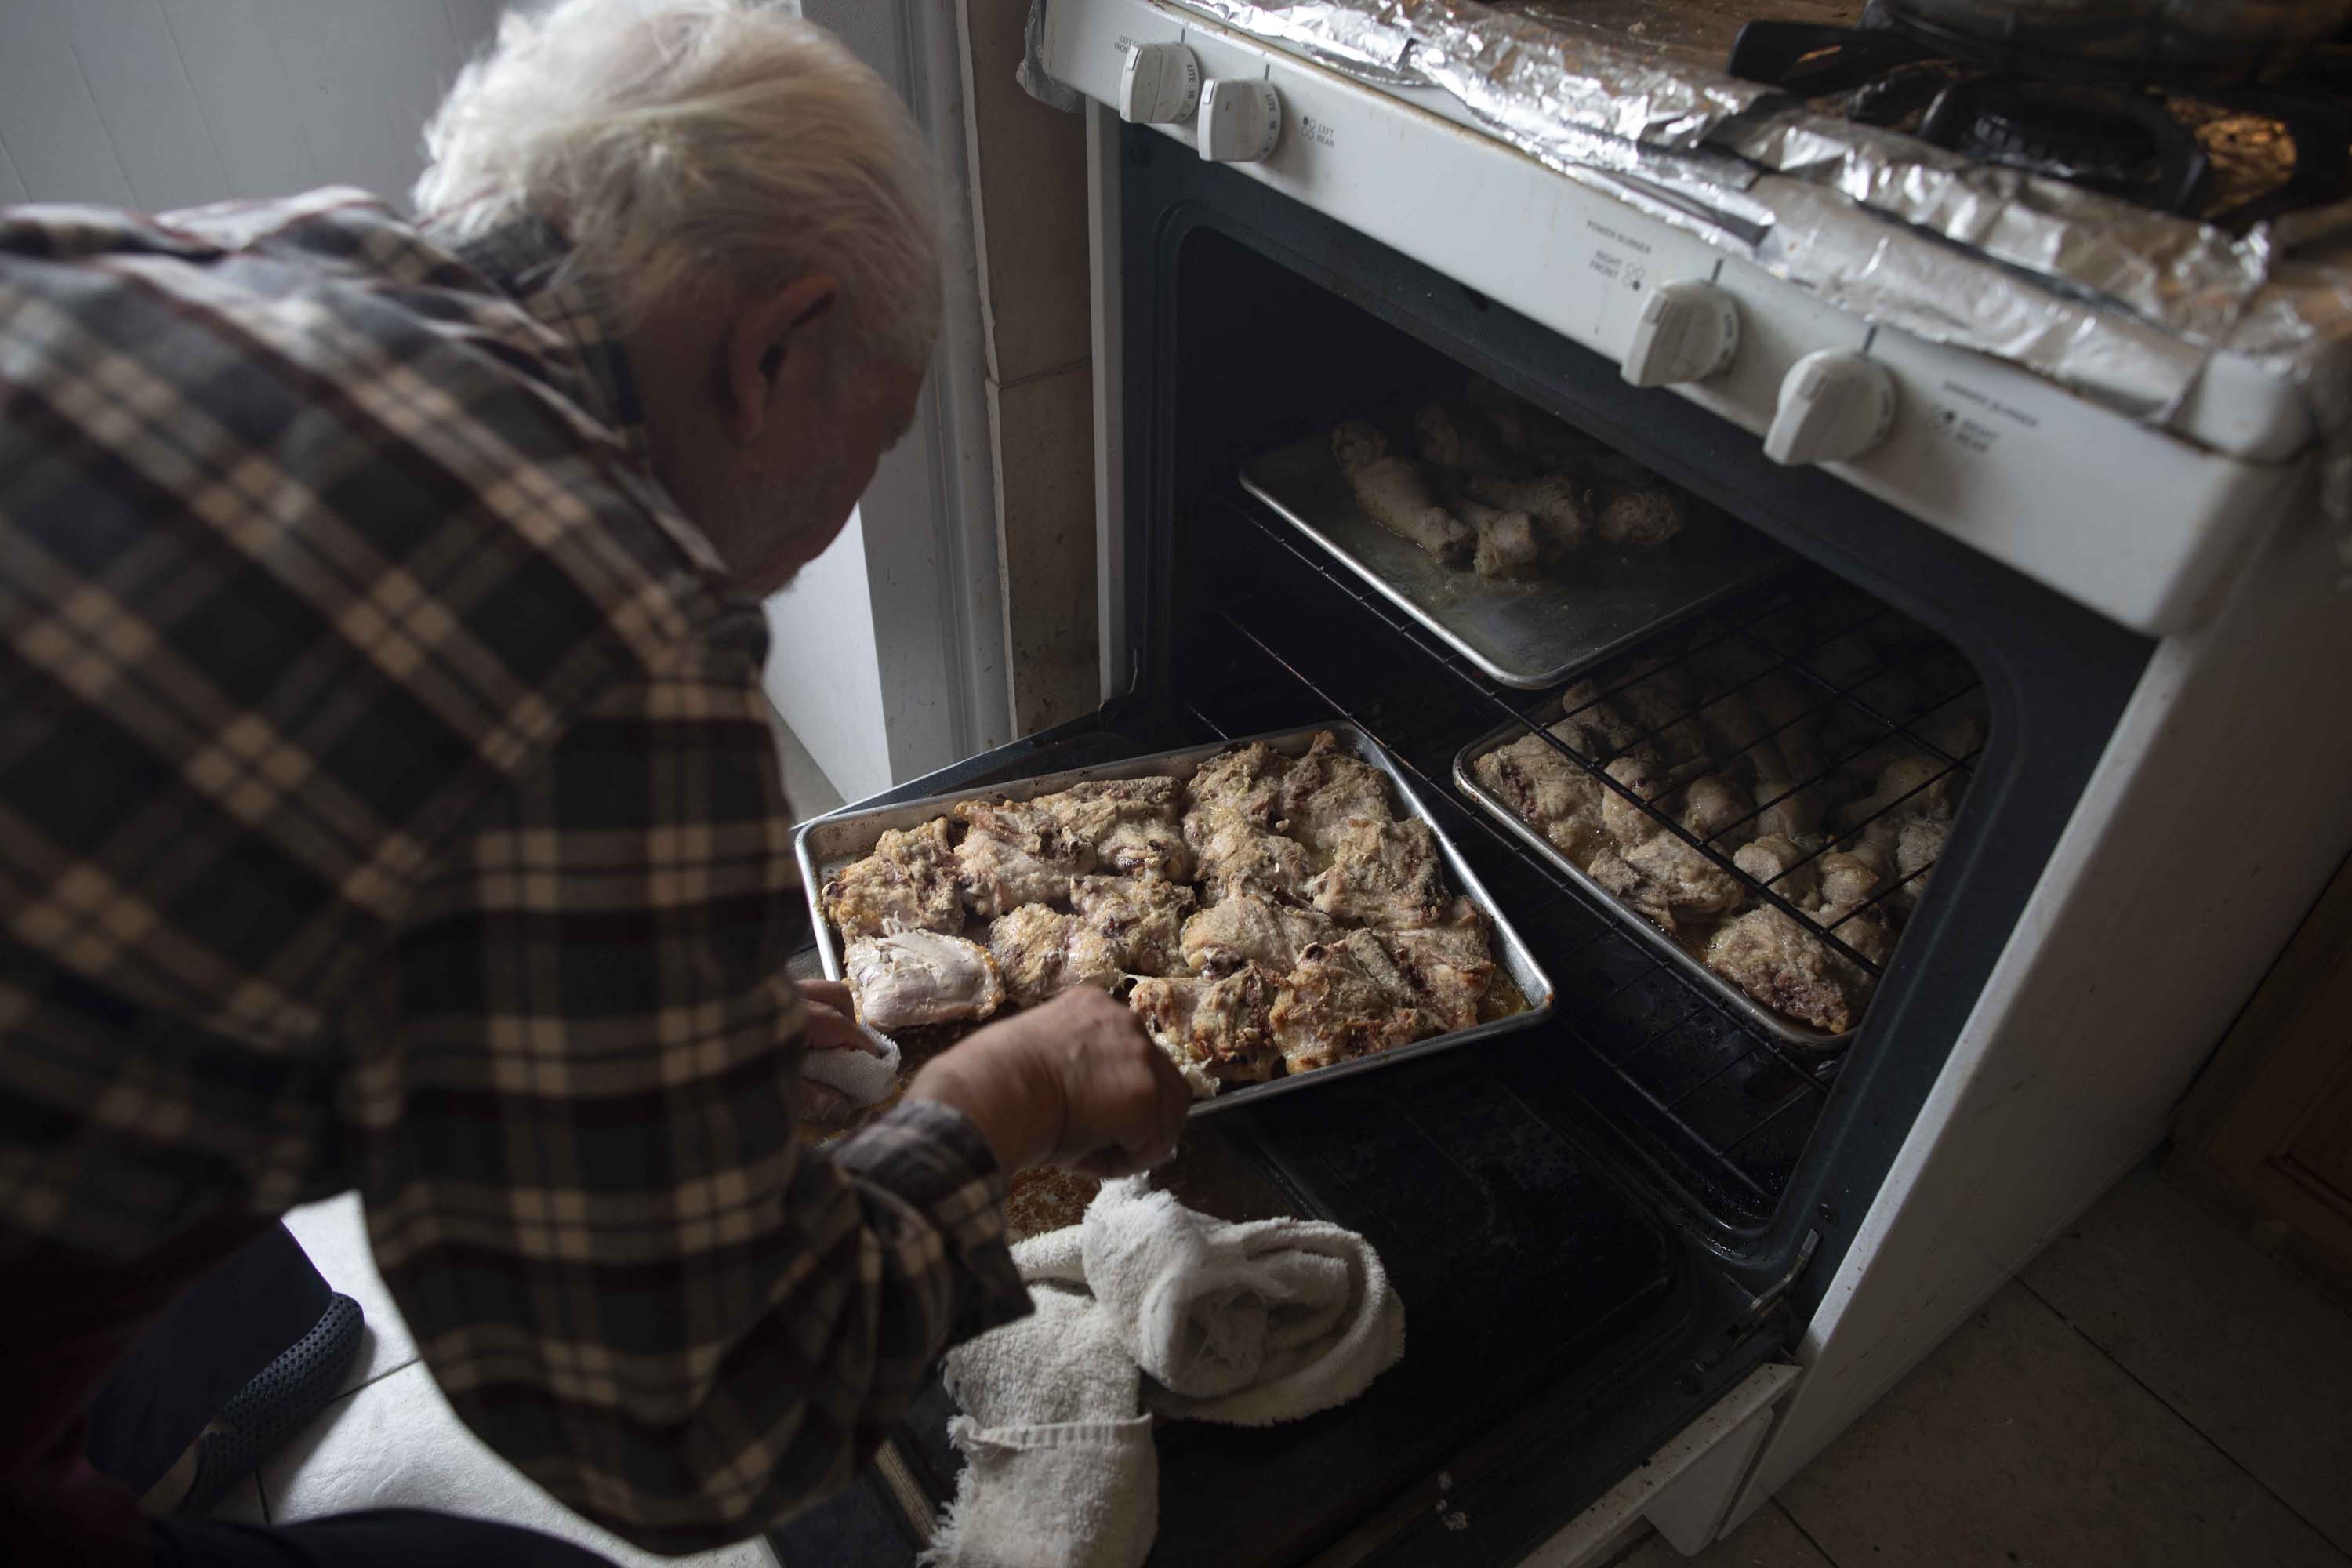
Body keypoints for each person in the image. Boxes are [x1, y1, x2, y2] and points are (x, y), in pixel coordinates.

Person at [0, 2, 1192, 1563]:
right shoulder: (607, 622)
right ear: (774, 349)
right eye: (877, 440)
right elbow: (709, 1423)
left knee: (236, 1274)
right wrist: (1014, 1084)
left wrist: (624, 1038)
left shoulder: (221, 256)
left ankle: (164, 1410)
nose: (831, 524)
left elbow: (311, 837)